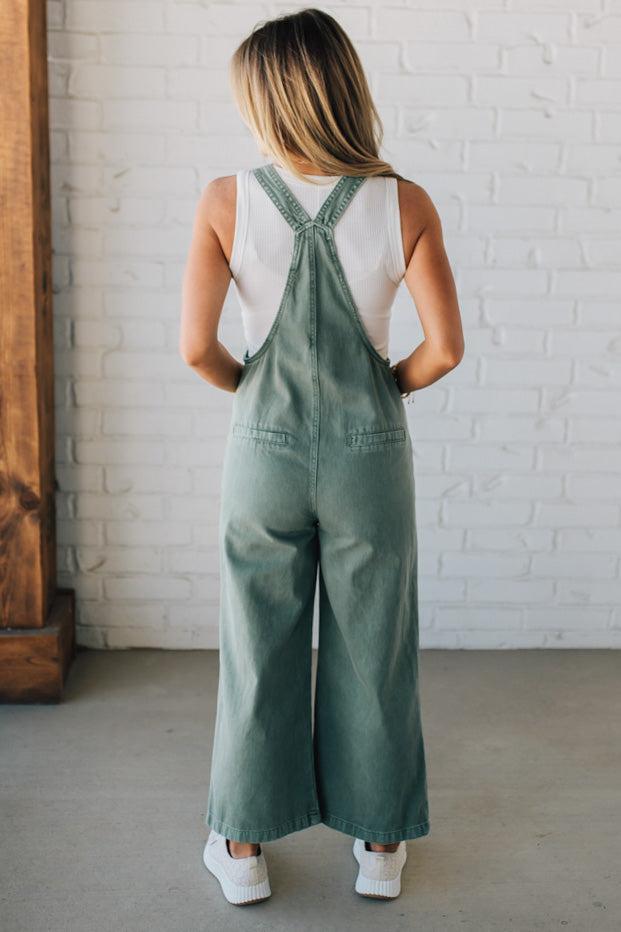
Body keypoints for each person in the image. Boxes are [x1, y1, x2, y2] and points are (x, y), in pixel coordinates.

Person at [180, 7, 464, 906]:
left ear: (266, 102)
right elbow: (445, 348)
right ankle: (379, 849)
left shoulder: (227, 199)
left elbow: (195, 348)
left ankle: (243, 850)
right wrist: (389, 389)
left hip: (263, 451)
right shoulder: (403, 201)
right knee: (374, 641)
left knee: (256, 644)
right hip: (368, 453)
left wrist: (255, 395)